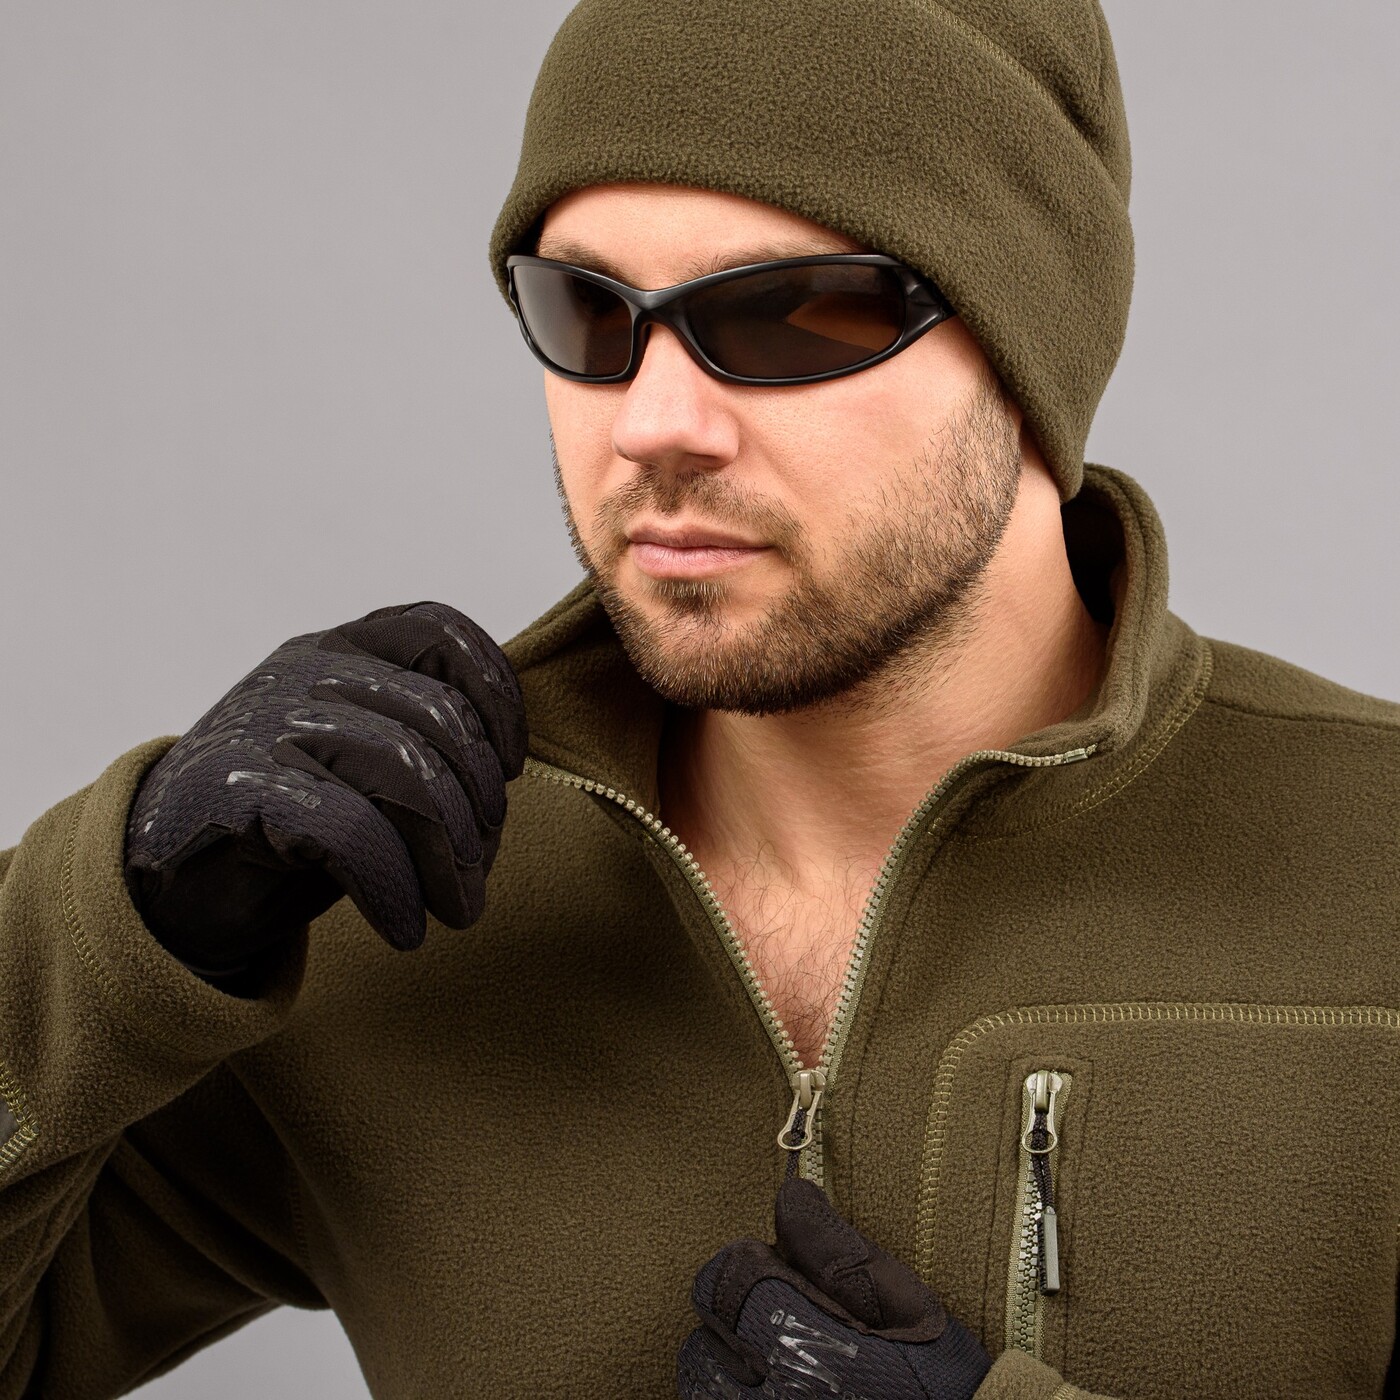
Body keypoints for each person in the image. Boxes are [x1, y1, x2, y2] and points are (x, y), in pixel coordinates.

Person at [0, 0, 1396, 1395]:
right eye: (587, 313)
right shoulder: (392, 902)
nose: (654, 423)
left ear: (1028, 350)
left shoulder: (1373, 883)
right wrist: (93, 939)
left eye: (788, 315)